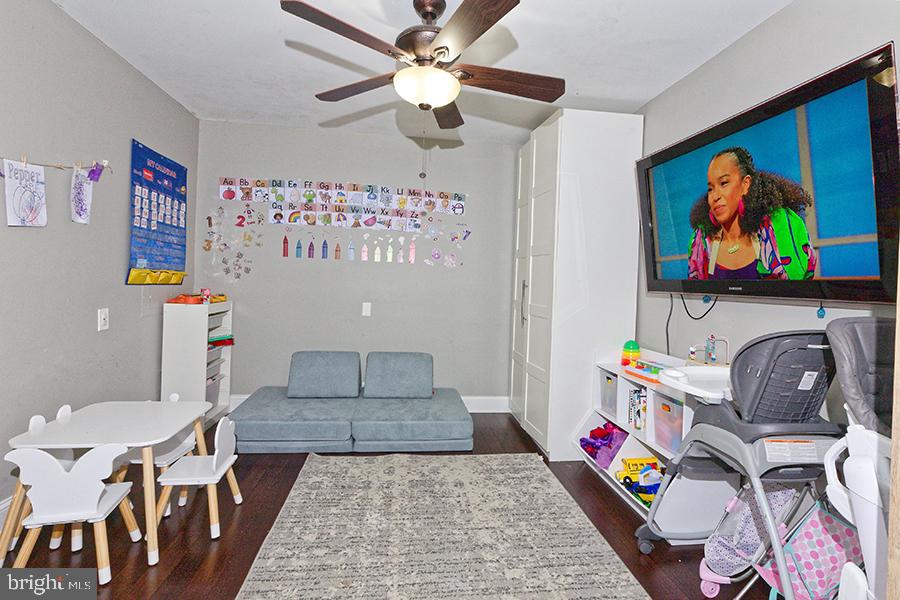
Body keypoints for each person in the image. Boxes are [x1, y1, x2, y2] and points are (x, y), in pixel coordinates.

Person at [687, 146, 817, 280]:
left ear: (745, 184)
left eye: (724, 183)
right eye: (710, 189)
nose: (715, 196)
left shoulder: (779, 230)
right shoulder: (702, 242)